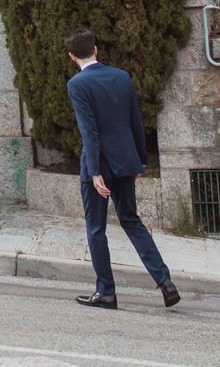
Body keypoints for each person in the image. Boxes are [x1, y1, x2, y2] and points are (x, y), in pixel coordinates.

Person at [64, 28, 180, 311]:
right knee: (131, 220)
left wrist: (94, 172)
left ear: (71, 56)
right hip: (126, 160)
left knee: (96, 228)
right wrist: (140, 159)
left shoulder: (77, 84)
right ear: (96, 49)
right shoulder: (121, 76)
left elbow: (89, 130)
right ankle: (165, 281)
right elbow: (134, 121)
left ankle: (106, 292)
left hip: (99, 165)